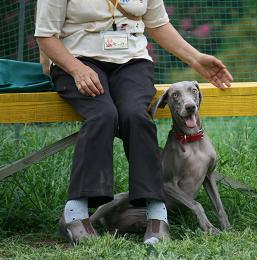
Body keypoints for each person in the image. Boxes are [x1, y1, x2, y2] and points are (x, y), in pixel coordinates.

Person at [34, 0, 233, 245]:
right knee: (103, 115)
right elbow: (46, 36)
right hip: (75, 60)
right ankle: (74, 215)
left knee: (137, 116)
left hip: (131, 61)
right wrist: (76, 69)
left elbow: (158, 24)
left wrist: (195, 59)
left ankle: (157, 216)